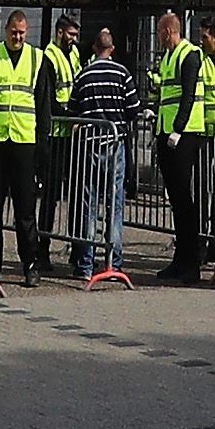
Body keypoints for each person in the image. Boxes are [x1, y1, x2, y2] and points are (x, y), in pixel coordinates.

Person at [0, 11, 47, 286]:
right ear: (5, 30)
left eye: (21, 33)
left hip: (23, 141)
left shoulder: (37, 59)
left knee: (25, 212)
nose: (17, 37)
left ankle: (30, 265)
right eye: (13, 32)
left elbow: (43, 105)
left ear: (26, 31)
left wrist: (43, 147)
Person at [150, 11, 215, 283]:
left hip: (185, 134)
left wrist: (177, 129)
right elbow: (168, 94)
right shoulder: (168, 57)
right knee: (177, 200)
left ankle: (191, 263)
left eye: (159, 32)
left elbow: (188, 95)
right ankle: (180, 260)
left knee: (184, 200)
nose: (157, 37)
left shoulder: (189, 54)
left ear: (167, 31)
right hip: (166, 132)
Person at [66, 29, 139, 281]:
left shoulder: (84, 75)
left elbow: (73, 109)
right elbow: (133, 109)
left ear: (95, 48)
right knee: (114, 206)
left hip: (89, 144)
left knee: (89, 204)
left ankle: (85, 265)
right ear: (113, 48)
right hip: (115, 142)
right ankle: (113, 264)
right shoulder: (123, 73)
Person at [33, 14, 82, 267]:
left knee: (74, 193)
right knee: (50, 197)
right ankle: (42, 249)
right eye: (71, 35)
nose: (74, 40)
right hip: (55, 134)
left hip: (71, 135)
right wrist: (71, 116)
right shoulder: (48, 57)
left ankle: (75, 248)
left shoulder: (73, 55)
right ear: (60, 32)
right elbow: (49, 99)